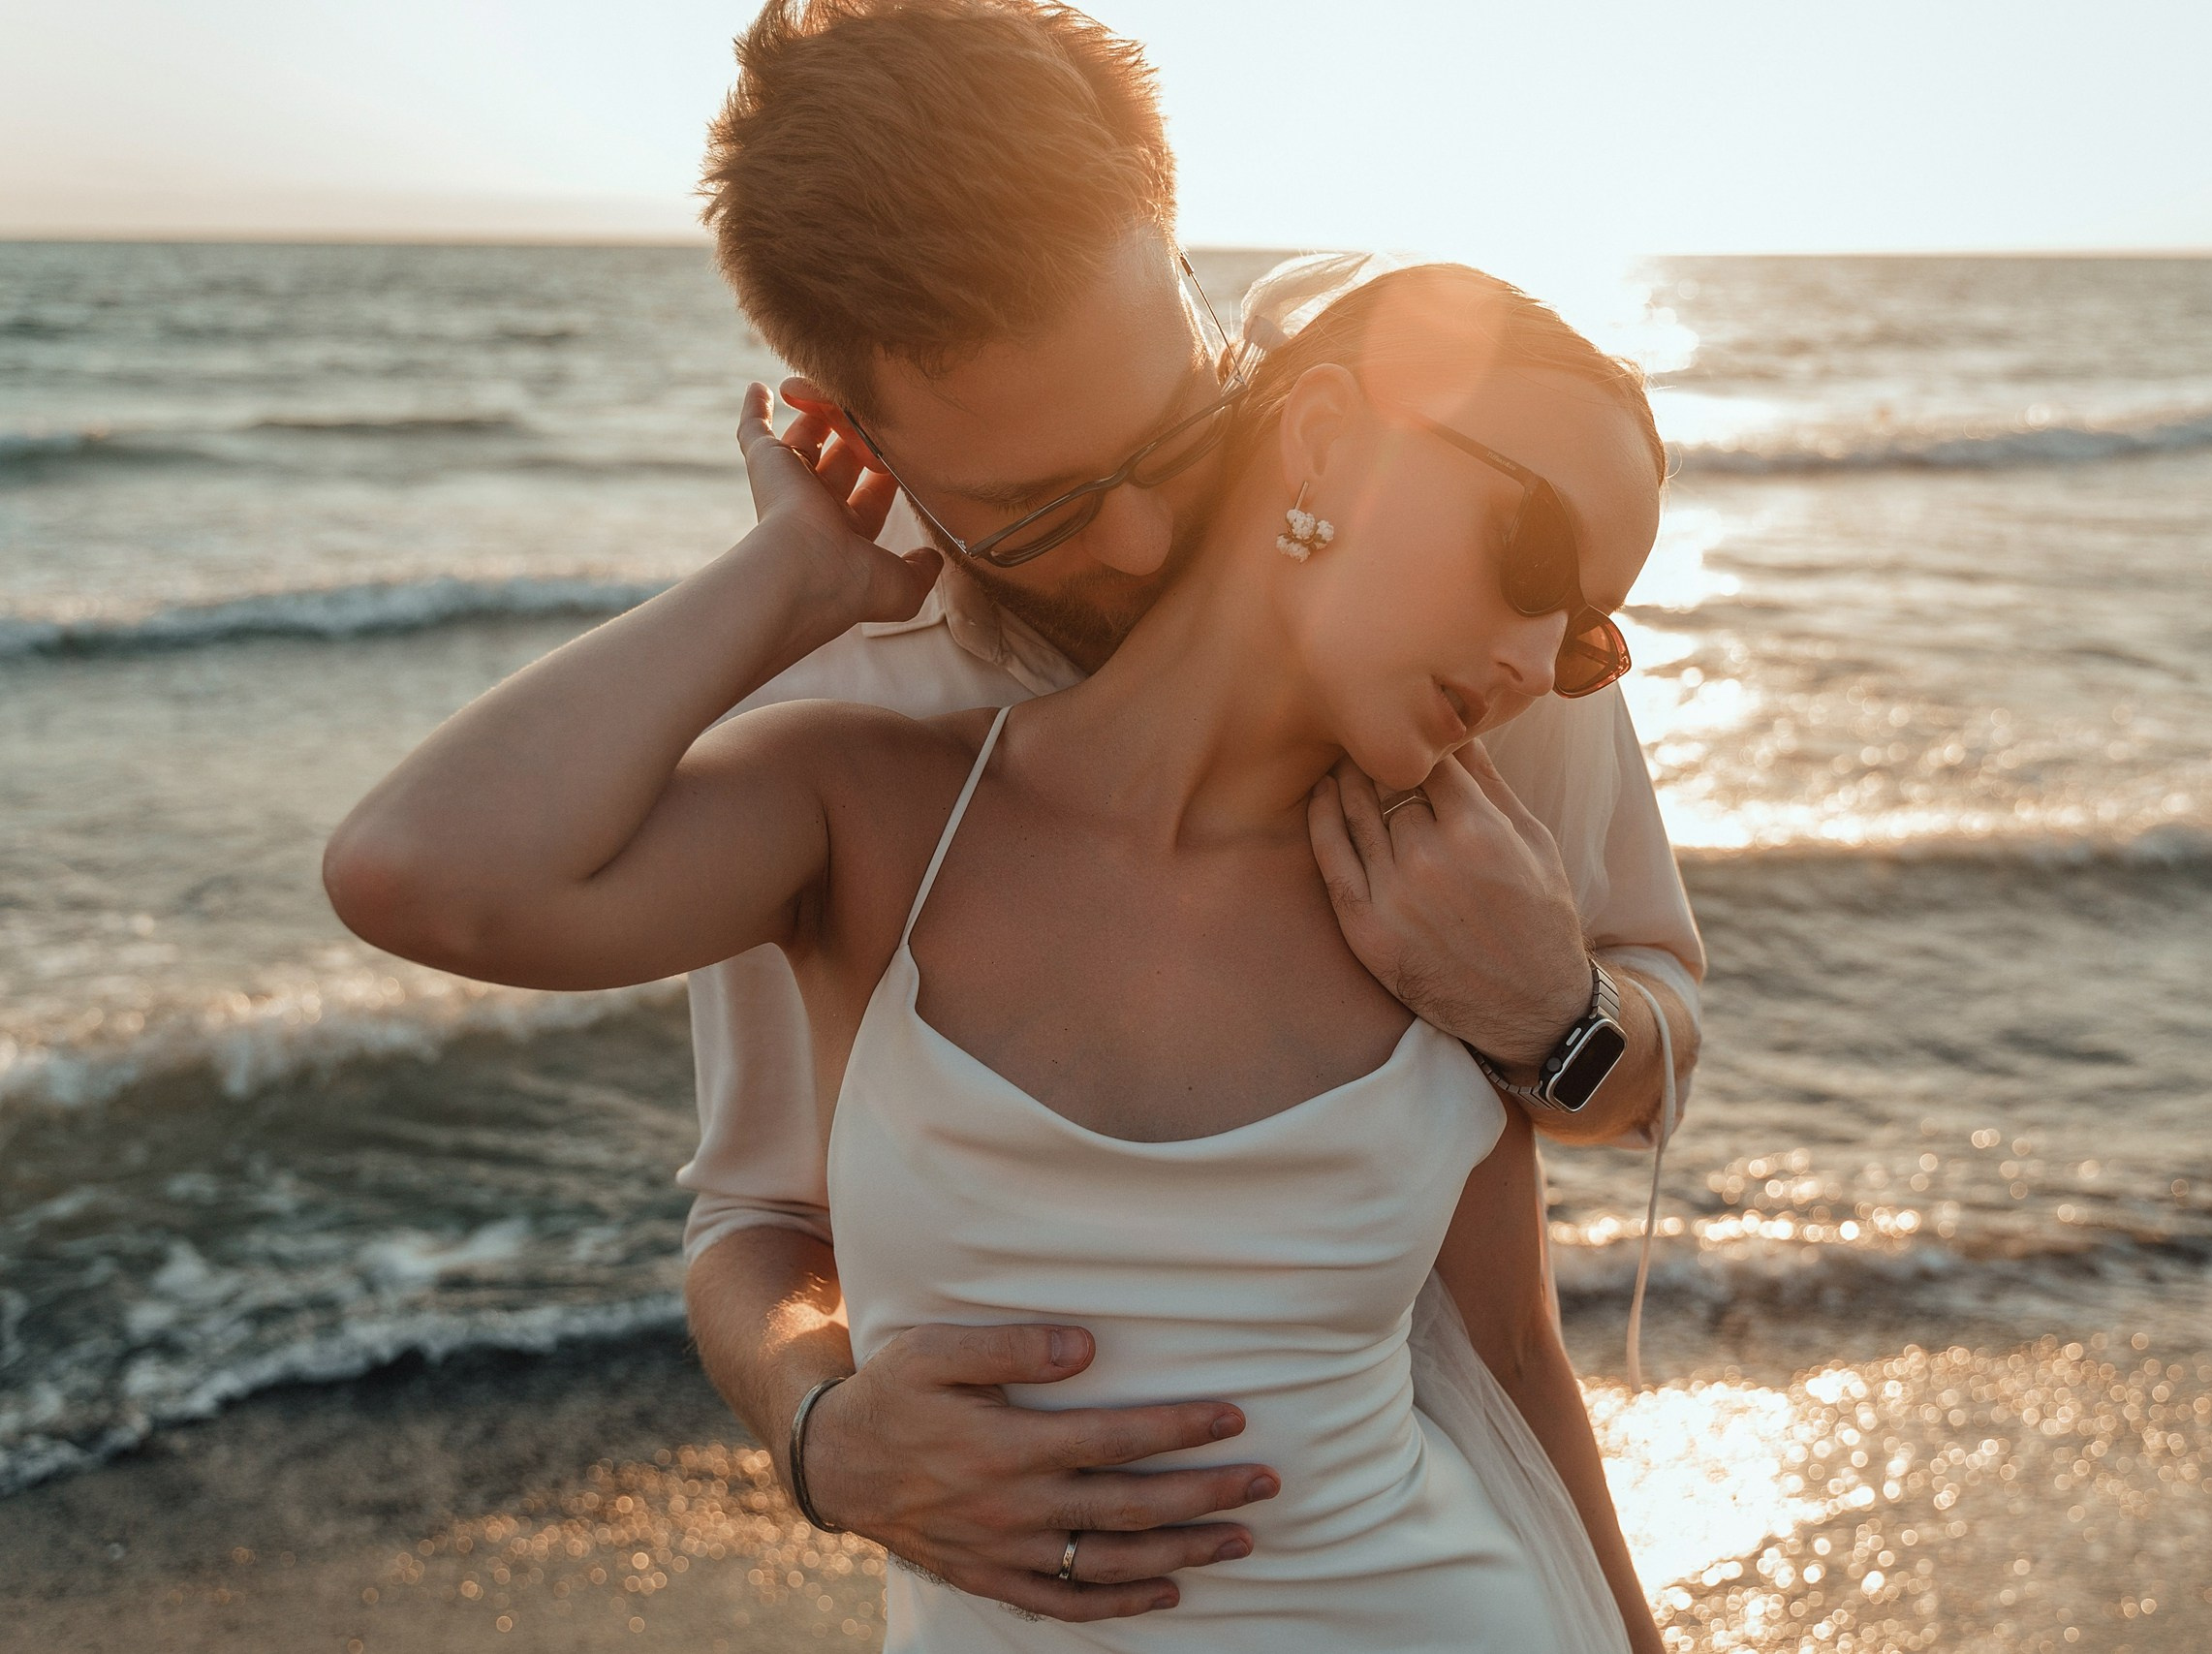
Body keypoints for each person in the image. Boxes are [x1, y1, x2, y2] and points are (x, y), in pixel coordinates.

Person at [324, 259, 1672, 1649]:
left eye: (1581, 640)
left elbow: (1515, 1362)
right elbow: (421, 875)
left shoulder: (1443, 898)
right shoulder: (869, 809)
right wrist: (787, 578)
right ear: (1325, 439)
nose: (1527, 657)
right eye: (1526, 559)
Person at [674, 0, 1705, 1623]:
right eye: (1043, 506)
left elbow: (1638, 1066)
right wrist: (819, 1425)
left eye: (1172, 426)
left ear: (1169, 251)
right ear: (858, 441)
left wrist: (1554, 1015)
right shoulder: (834, 720)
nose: (1145, 538)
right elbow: (759, 1215)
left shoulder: (1446, 610)